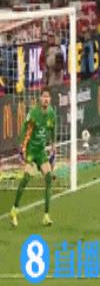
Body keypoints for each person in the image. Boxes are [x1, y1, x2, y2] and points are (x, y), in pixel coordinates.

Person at [10, 87, 57, 227]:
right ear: (40, 98)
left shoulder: (51, 114)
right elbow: (25, 128)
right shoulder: (34, 113)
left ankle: (46, 216)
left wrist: (53, 145)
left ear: (50, 99)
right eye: (44, 96)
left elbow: (52, 129)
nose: (46, 99)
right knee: (26, 178)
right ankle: (14, 209)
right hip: (31, 150)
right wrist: (22, 147)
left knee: (48, 177)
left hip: (40, 151)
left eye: (48, 97)